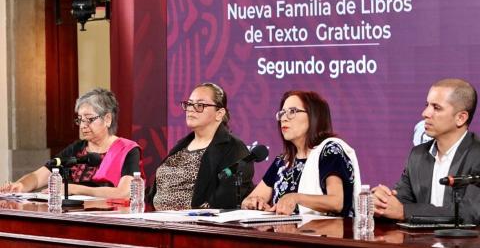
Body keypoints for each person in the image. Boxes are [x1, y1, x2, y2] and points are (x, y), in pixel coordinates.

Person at [0, 88, 143, 198]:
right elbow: (38, 177)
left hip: (112, 221)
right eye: (80, 119)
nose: (82, 125)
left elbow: (125, 192)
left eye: (89, 119)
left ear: (107, 119)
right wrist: (20, 185)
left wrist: (74, 189)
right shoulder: (77, 149)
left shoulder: (127, 150)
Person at [373, 78, 480, 224]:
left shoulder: (477, 155)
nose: (425, 113)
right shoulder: (417, 154)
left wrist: (404, 211)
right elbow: (402, 200)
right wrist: (382, 202)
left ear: (460, 118)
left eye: (436, 107)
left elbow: (469, 212)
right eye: (427, 105)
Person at [241, 90, 361, 216]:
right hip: (285, 234)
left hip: (327, 233)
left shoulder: (330, 151)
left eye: (292, 111)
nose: (284, 118)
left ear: (314, 116)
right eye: (282, 113)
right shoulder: (283, 162)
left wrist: (296, 198)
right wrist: (252, 202)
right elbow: (249, 200)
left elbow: (336, 202)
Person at [147, 82, 254, 210]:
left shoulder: (233, 148)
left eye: (200, 105)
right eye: (190, 104)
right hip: (157, 221)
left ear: (219, 113)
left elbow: (227, 197)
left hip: (196, 225)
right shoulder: (181, 146)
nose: (191, 109)